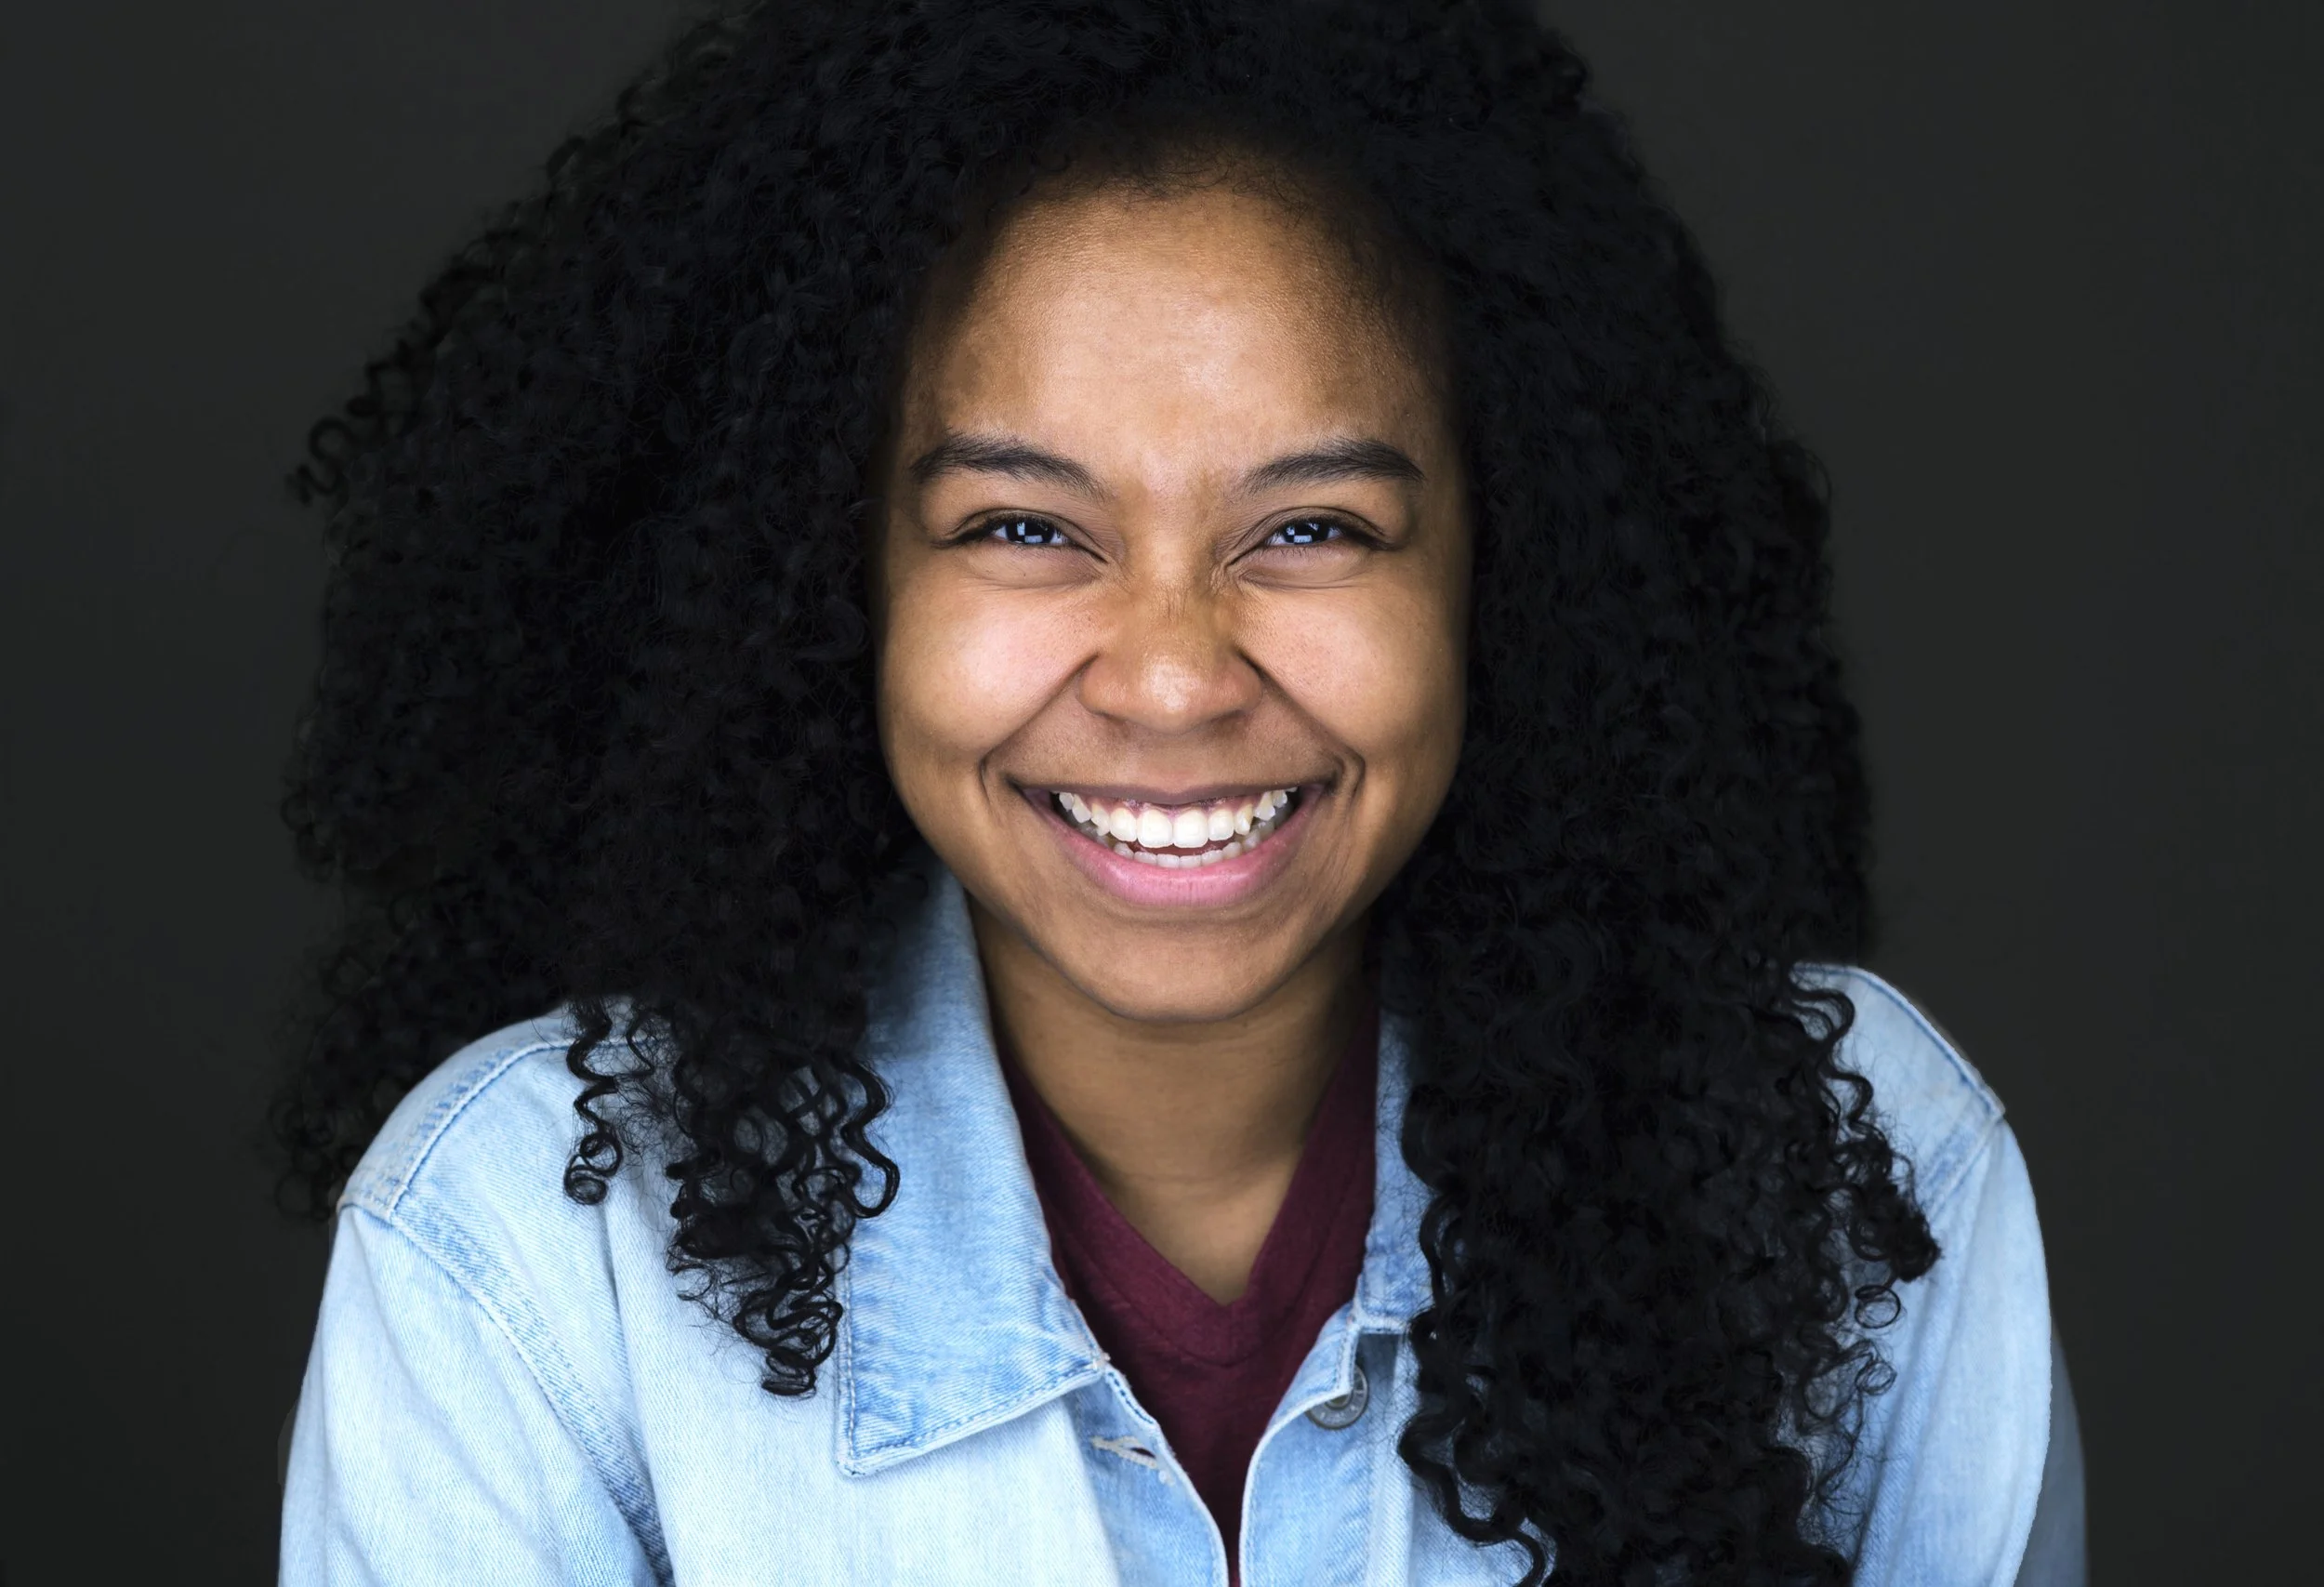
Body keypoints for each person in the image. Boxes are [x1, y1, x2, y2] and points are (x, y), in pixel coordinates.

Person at [271, 2, 2083, 1583]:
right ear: (834, 586)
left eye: (1306, 528)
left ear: (1495, 573)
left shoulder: (1848, 1175)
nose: (1167, 672)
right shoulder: (518, 1253)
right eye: (1022, 527)